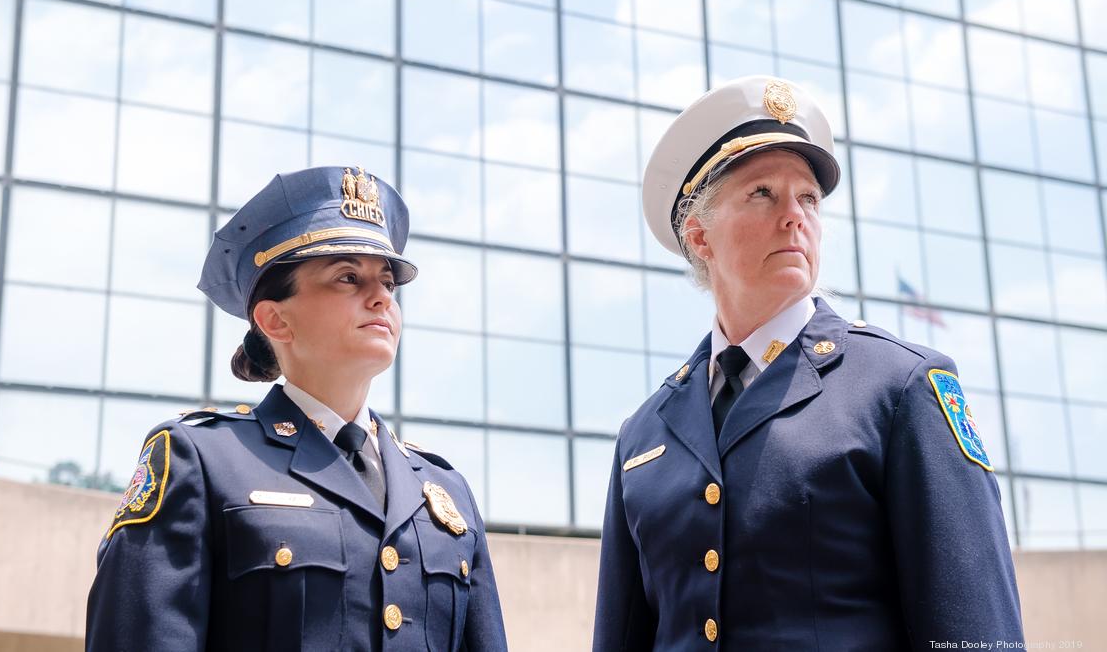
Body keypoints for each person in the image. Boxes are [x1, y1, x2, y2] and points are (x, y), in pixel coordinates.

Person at [592, 76, 1024, 650]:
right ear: (700, 237)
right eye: (764, 194)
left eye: (809, 199)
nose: (796, 216)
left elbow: (975, 628)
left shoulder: (899, 389)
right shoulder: (643, 434)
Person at [86, 166, 509, 651]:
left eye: (388, 282)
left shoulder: (444, 491)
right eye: (348, 277)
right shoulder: (201, 462)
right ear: (275, 319)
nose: (381, 298)